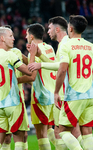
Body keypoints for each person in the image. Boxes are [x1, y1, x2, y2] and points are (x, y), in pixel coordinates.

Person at [28, 16, 82, 149]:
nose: (48, 31)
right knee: (71, 130)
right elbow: (57, 65)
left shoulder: (64, 44)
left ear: (57, 29)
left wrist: (39, 63)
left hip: (62, 93)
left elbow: (61, 68)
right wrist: (41, 56)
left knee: (60, 131)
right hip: (71, 92)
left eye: (50, 28)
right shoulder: (54, 47)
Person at [0, 25, 33, 150]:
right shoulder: (10, 55)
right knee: (19, 138)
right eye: (10, 36)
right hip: (13, 103)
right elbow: (30, 72)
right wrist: (33, 55)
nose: (13, 39)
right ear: (2, 38)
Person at [54, 15, 93, 150]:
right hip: (90, 95)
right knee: (87, 132)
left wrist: (55, 92)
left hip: (74, 95)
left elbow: (62, 70)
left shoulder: (66, 45)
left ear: (70, 28)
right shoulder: (90, 46)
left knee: (63, 130)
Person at [18, 23, 56, 150]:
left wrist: (14, 80)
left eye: (27, 34)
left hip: (41, 96)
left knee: (41, 134)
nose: (26, 37)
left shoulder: (33, 52)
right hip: (52, 94)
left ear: (32, 36)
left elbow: (31, 76)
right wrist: (20, 57)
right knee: (50, 128)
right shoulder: (49, 48)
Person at [1, 47, 30, 150]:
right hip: (4, 99)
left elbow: (26, 67)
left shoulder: (17, 51)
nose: (13, 38)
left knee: (24, 135)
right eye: (10, 36)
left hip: (18, 98)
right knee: (6, 138)